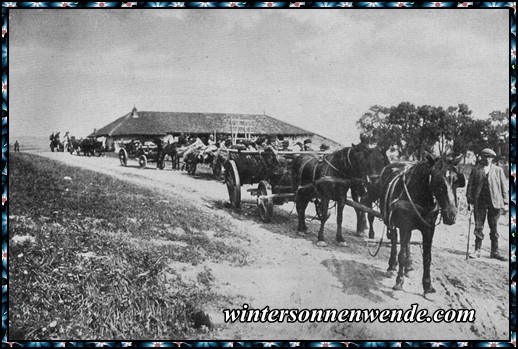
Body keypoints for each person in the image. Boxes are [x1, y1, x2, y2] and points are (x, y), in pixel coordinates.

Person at [466, 148, 508, 260]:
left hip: (495, 203)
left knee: (494, 228)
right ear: (482, 158)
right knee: (478, 227)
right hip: (479, 202)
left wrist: (506, 203)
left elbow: (504, 187)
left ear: (492, 158)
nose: (487, 159)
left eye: (489, 157)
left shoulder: (498, 170)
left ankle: (494, 252)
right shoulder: (476, 170)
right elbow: (470, 187)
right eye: (485, 157)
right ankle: (477, 250)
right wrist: (469, 202)